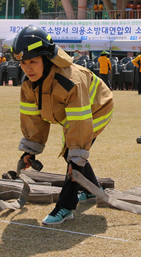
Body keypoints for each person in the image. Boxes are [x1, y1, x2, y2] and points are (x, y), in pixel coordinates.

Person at [11, 26, 113, 225]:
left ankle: (65, 207)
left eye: (33, 61)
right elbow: (33, 120)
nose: (27, 68)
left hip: (97, 109)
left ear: (47, 58)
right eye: (23, 63)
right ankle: (92, 191)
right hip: (73, 116)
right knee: (72, 156)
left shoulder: (70, 81)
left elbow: (80, 125)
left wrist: (75, 161)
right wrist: (30, 151)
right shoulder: (28, 84)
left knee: (73, 157)